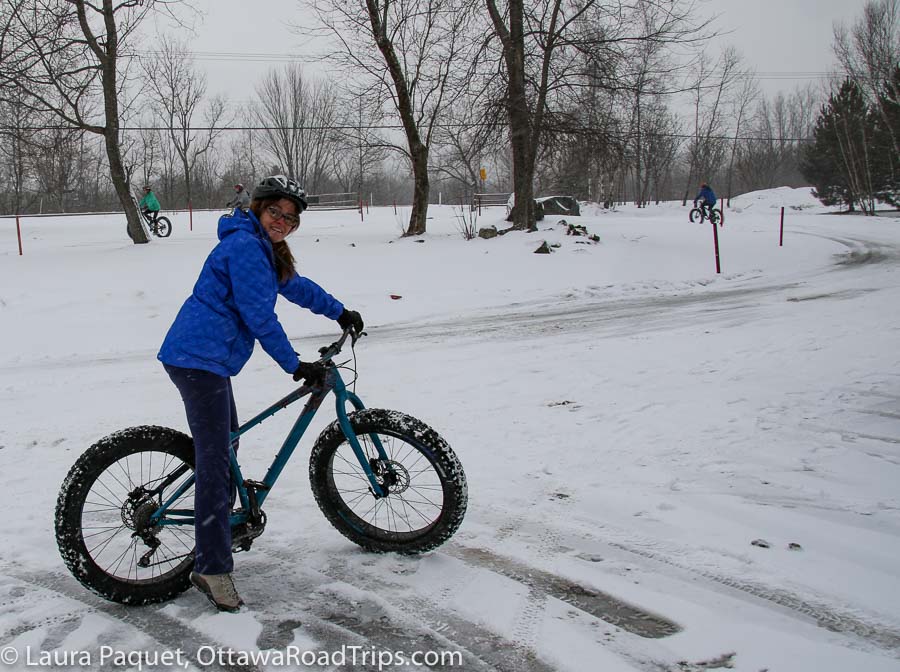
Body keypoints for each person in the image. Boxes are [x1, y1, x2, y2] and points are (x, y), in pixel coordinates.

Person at [157, 174, 364, 613]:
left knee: (225, 446)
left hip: (206, 358)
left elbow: (297, 288)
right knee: (215, 461)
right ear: (258, 208)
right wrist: (295, 365)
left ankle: (223, 528)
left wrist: (340, 310)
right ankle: (211, 566)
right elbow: (258, 315)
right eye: (276, 212)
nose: (282, 222)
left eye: (290, 219)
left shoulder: (261, 246)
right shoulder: (246, 247)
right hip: (199, 359)